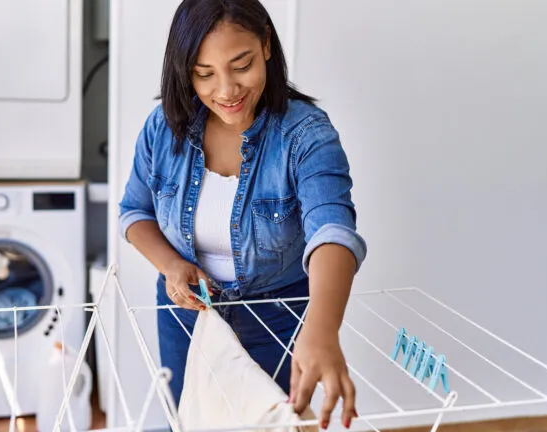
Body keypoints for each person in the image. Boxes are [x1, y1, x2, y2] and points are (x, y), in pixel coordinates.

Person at [118, 0, 367, 429]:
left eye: (241, 64)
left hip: (279, 315)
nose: (227, 89)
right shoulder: (162, 128)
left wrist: (323, 329)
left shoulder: (306, 134)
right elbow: (134, 213)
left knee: (276, 422)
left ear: (266, 44)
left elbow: (332, 230)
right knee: (194, 420)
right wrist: (172, 265)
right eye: (204, 73)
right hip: (187, 313)